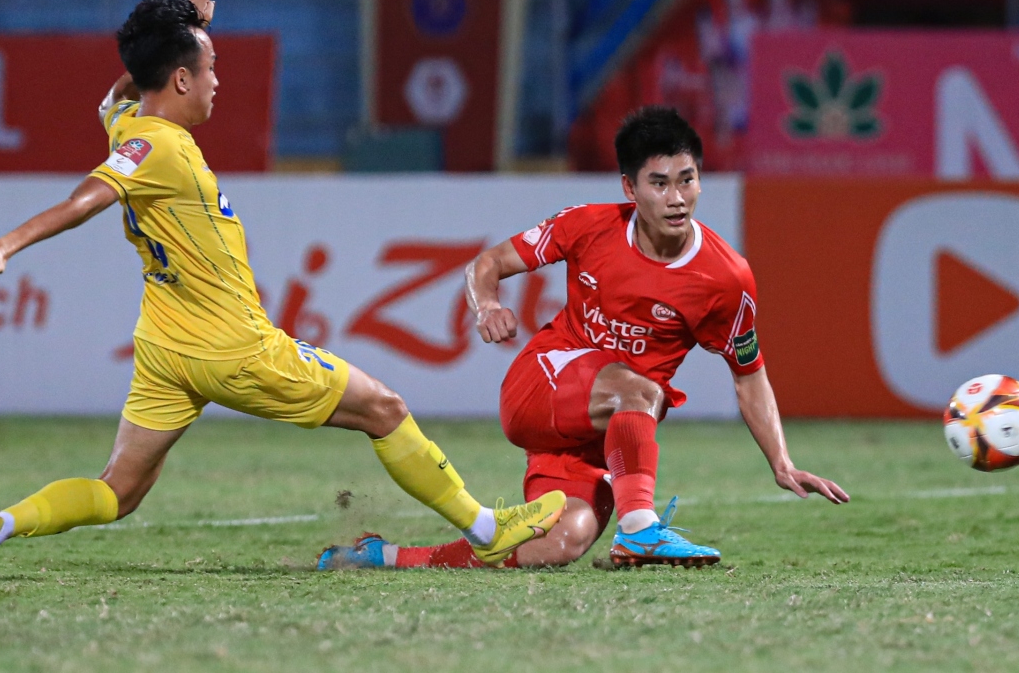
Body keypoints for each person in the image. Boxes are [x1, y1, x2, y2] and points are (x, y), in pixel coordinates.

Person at [0, 0, 564, 581]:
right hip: (229, 345)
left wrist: (184, 23)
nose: (216, 81)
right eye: (209, 67)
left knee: (118, 491)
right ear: (179, 78)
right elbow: (88, 197)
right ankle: (487, 530)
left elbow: (116, 94)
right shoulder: (159, 147)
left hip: (166, 349)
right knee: (385, 409)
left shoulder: (128, 121)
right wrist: (7, 244)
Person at [317, 106, 848, 571]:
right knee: (641, 388)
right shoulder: (588, 226)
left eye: (687, 179)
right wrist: (490, 305)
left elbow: (748, 375)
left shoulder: (726, 280)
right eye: (659, 183)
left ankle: (382, 556)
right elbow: (489, 263)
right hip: (541, 387)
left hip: (604, 438)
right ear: (629, 188)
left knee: (560, 544)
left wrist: (781, 462)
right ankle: (640, 528)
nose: (677, 197)